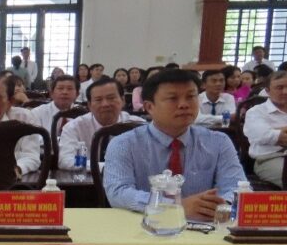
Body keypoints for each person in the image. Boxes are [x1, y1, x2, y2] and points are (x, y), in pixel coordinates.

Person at [104, 69, 244, 220]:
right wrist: (174, 206)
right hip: (146, 225)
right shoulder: (123, 144)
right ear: (149, 107)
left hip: (207, 224)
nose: (184, 105)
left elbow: (237, 186)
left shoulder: (219, 141)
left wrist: (221, 206)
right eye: (172, 98)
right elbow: (118, 192)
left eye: (190, 97)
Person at [58, 77, 144, 170]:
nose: (105, 104)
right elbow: (65, 160)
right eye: (98, 100)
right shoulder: (75, 127)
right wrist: (106, 167)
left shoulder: (138, 126)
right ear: (89, 105)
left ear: (123, 100)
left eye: (111, 98)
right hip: (88, 178)